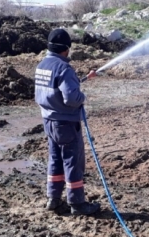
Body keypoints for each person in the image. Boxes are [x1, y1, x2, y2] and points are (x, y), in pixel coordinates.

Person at [34, 29, 100, 216]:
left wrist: (85, 78)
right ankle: (77, 203)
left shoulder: (42, 65)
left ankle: (53, 199)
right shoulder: (64, 68)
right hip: (66, 123)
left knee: (55, 159)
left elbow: (56, 86)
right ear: (66, 49)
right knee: (73, 161)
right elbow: (71, 97)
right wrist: (82, 97)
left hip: (49, 121)